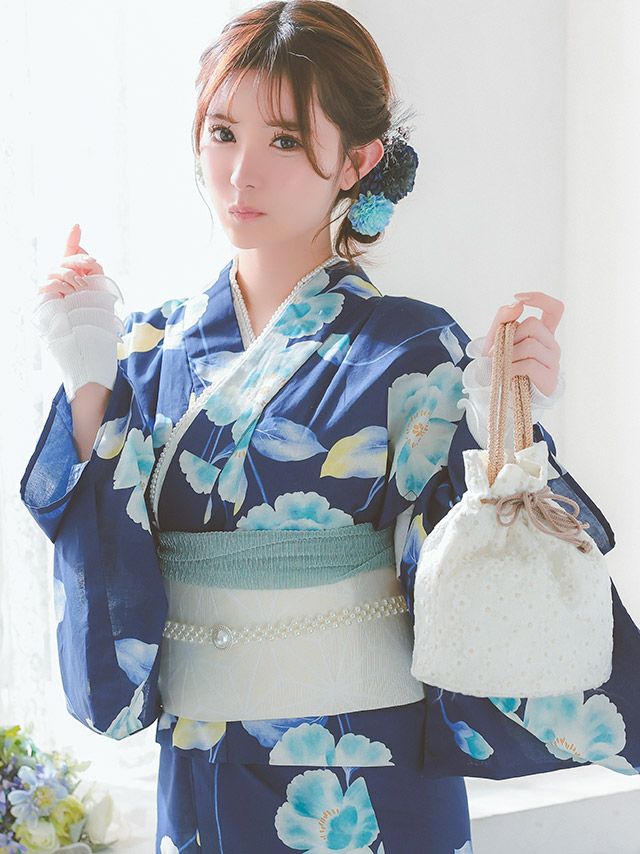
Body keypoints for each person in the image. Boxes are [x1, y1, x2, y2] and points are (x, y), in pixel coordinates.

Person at [20, 2, 639, 852]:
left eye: (283, 140)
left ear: (358, 160)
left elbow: (481, 576)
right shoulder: (149, 345)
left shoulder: (413, 347)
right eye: (222, 133)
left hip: (367, 779)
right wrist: (89, 379)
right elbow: (107, 570)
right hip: (199, 770)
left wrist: (506, 431)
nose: (241, 174)